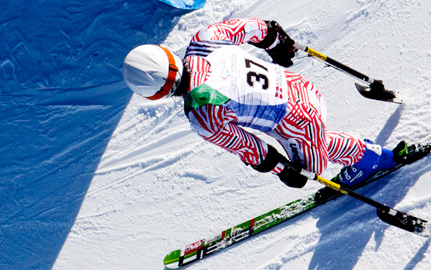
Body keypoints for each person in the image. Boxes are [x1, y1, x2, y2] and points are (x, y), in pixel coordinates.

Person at [121, 18, 402, 188]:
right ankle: (356, 152)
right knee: (308, 145)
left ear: (155, 95)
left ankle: (373, 158)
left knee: (313, 168)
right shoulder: (204, 41)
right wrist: (276, 43)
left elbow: (251, 148)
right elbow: (260, 29)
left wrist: (284, 171)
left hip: (300, 122)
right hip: (301, 86)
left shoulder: (201, 113)